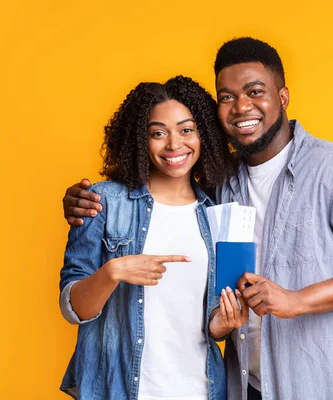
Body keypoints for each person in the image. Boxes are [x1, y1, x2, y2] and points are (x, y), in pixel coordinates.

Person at [63, 38, 333, 400]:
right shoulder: (222, 186)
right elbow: (207, 302)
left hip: (329, 384)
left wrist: (296, 300)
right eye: (227, 96)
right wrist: (83, 206)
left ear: (283, 96)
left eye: (255, 91)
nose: (242, 106)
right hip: (250, 386)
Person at [58, 75, 249, 400]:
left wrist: (224, 323)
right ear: (138, 139)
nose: (174, 145)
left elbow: (212, 322)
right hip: (120, 389)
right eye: (158, 133)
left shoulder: (219, 212)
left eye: (186, 130)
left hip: (201, 389)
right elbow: (72, 308)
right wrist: (112, 272)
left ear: (204, 134)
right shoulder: (102, 203)